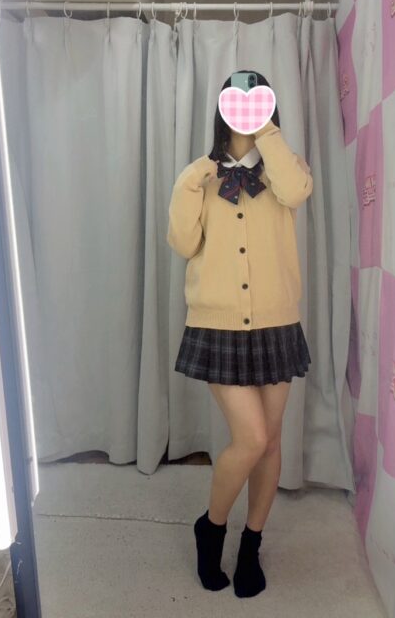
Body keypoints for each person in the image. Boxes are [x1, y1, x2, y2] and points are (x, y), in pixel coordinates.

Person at [167, 70, 313, 598]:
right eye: (240, 102)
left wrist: (266, 130)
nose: (248, 110)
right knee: (249, 438)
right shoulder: (200, 178)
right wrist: (193, 177)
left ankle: (251, 545)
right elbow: (183, 243)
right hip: (218, 326)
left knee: (269, 442)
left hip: (276, 322)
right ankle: (211, 528)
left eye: (258, 101)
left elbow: (296, 190)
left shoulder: (285, 169)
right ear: (223, 109)